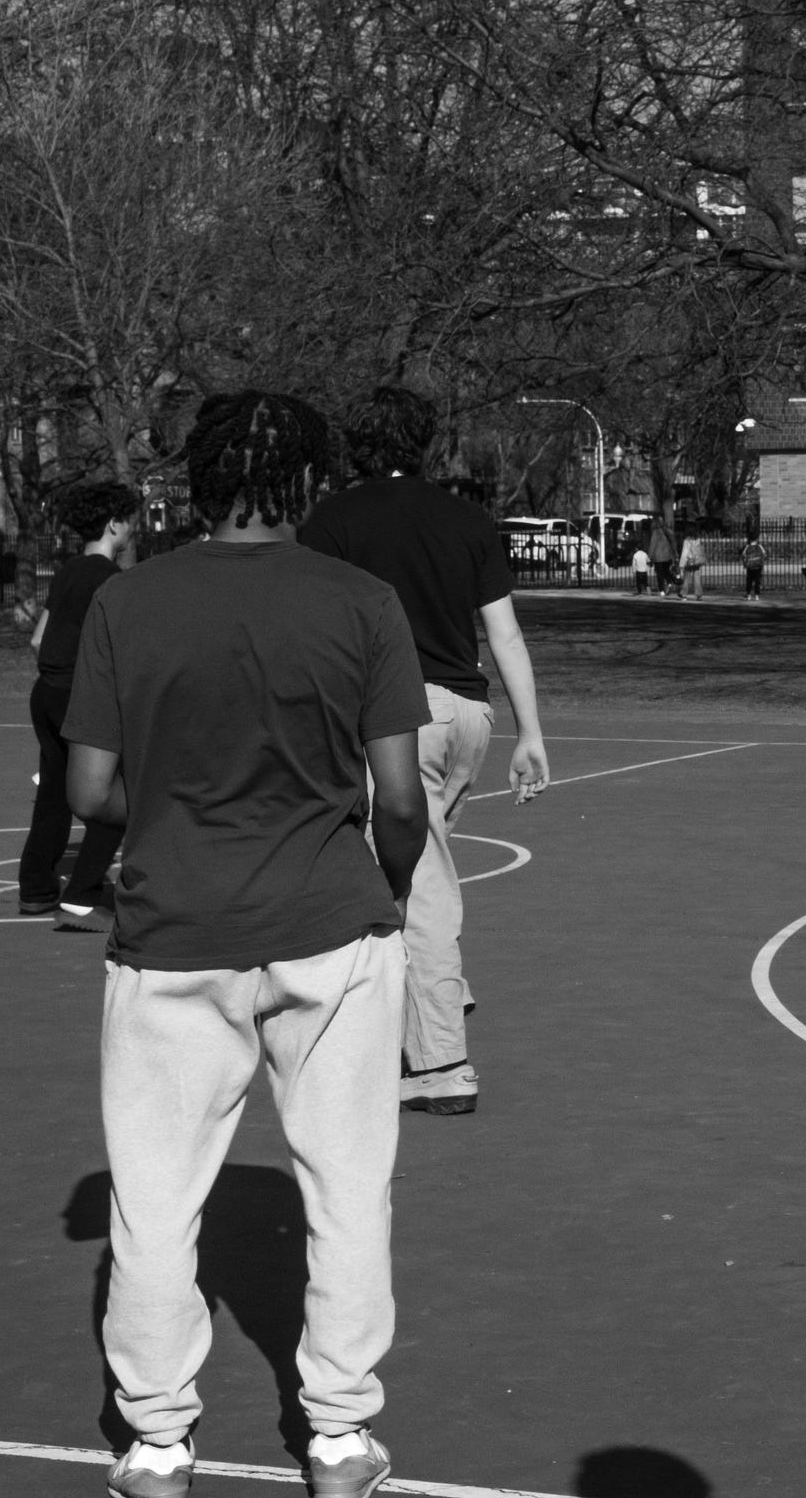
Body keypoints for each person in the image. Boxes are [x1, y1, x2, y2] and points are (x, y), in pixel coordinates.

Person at [64, 390, 431, 1498]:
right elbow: (400, 796)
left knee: (156, 1198)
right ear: (309, 482)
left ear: (201, 477)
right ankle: (336, 1433)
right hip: (331, 926)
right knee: (348, 1185)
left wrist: (178, 810)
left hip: (174, 929)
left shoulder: (130, 601)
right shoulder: (362, 601)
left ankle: (160, 1444)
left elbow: (89, 786)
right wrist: (392, 888)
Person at [300, 387, 552, 1117]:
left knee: (423, 883)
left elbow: (316, 630)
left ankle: (441, 1062)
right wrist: (529, 733)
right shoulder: (465, 518)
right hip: (466, 714)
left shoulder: (333, 520)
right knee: (406, 861)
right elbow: (503, 632)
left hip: (396, 715)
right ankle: (434, 991)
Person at [19, 481, 139, 928]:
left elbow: (37, 638)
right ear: (114, 524)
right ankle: (84, 890)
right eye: (130, 521)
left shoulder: (68, 571)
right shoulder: (112, 582)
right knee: (119, 791)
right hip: (79, 698)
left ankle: (35, 888)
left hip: (46, 693)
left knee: (53, 793)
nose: (132, 529)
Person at [677, 530, 704, 600]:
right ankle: (699, 595)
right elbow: (700, 550)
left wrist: (681, 564)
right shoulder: (698, 540)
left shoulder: (687, 541)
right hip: (696, 561)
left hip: (689, 561)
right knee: (697, 578)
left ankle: (684, 594)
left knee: (686, 579)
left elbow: (685, 552)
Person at [742, 534, 767, 599]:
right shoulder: (759, 546)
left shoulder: (747, 546)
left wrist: (745, 564)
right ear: (756, 539)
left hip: (750, 566)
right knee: (757, 580)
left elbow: (743, 555)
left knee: (749, 580)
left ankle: (749, 594)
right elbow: (764, 554)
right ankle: (757, 595)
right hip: (758, 566)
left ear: (750, 540)